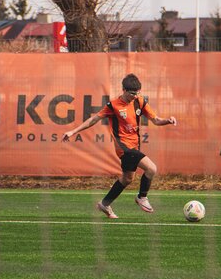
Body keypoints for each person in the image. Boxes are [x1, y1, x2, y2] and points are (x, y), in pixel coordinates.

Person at [62, 73, 177, 219]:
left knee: (127, 178)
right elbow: (93, 119)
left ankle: (105, 204)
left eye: (137, 93)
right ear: (123, 90)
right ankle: (142, 197)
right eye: (132, 93)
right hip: (123, 148)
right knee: (151, 168)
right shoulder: (113, 105)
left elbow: (156, 120)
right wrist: (73, 131)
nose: (134, 96)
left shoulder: (140, 101)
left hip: (135, 146)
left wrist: (168, 120)